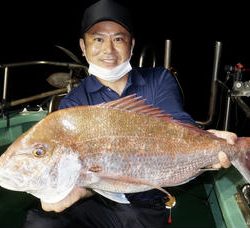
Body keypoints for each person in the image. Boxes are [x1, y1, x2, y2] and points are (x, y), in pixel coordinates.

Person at [23, 0, 237, 227]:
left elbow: (179, 122)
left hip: (148, 198)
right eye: (97, 39)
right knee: (41, 222)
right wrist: (74, 191)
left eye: (118, 39)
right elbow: (76, 172)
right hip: (100, 198)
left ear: (131, 45)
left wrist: (209, 142)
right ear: (83, 47)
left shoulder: (159, 79)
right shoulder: (74, 103)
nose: (108, 50)